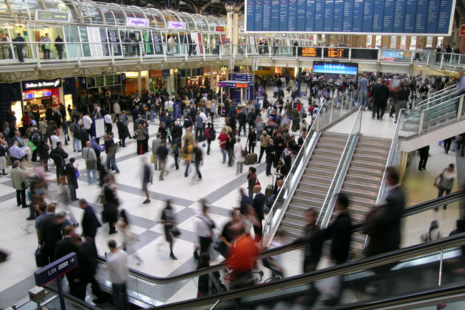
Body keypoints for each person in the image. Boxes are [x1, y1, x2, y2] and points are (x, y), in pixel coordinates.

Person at [364, 167, 405, 259]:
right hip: (389, 239)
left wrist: (374, 213)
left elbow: (386, 219)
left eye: (387, 177)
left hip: (386, 240)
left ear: (392, 179)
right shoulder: (398, 193)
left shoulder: (394, 198)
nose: (385, 179)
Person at [226, 223, 260, 289]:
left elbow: (234, 264)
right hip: (249, 274)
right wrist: (254, 264)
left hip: (241, 278)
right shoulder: (249, 240)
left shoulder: (237, 246)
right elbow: (256, 251)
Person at [72, 237, 104, 303]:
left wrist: (77, 277)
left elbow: (80, 266)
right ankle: (101, 297)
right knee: (94, 283)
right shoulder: (88, 244)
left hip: (86, 273)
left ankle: (81, 301)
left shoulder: (80, 252)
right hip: (92, 268)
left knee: (82, 286)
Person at [106, 240, 130, 310]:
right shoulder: (123, 253)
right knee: (125, 295)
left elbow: (106, 268)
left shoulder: (111, 259)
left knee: (117, 297)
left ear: (110, 248)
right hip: (124, 277)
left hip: (116, 280)